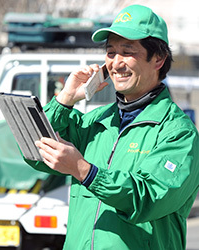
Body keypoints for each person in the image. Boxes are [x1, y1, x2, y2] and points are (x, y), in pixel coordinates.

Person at [25, 4, 199, 250]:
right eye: (110, 52)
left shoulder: (178, 133)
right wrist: (65, 99)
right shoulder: (96, 121)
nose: (116, 64)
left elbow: (148, 198)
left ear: (158, 58)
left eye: (127, 52)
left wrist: (84, 170)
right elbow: (35, 154)